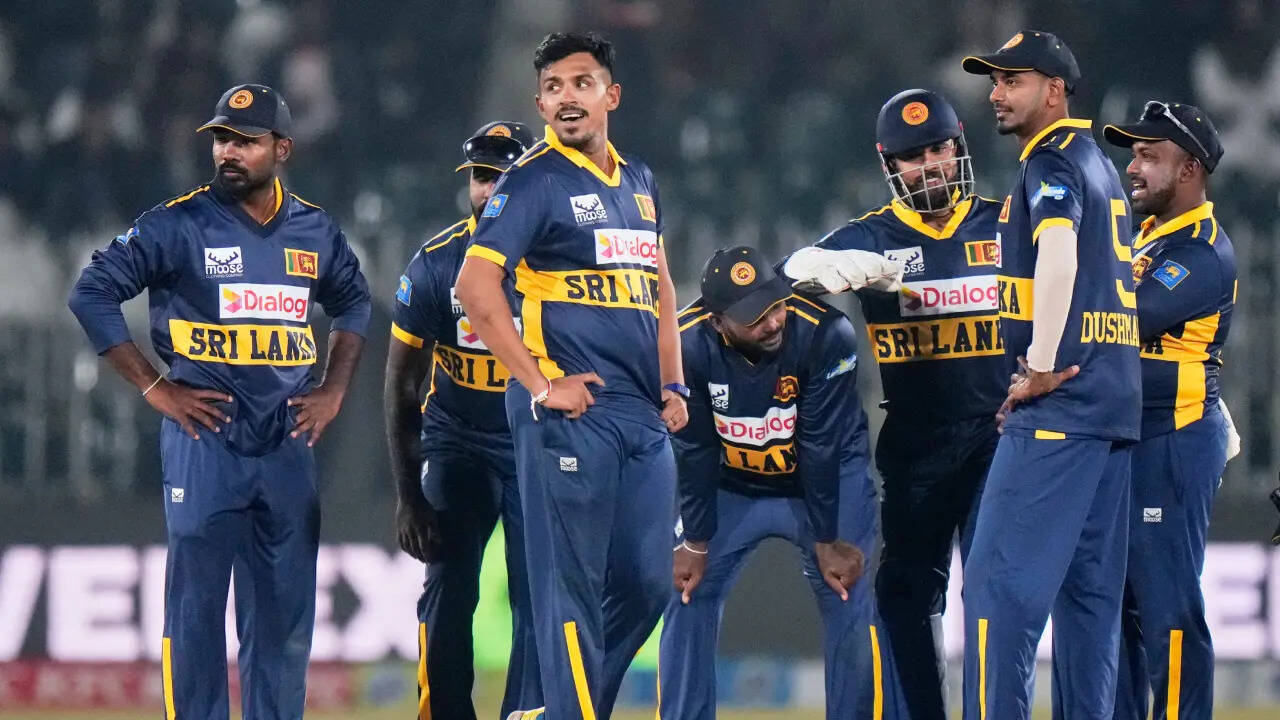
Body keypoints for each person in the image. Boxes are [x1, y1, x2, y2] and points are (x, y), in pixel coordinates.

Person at [67, 84, 371, 719]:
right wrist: (156, 387)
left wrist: (335, 389)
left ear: (282, 149)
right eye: (222, 140)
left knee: (284, 621)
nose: (228, 152)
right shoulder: (177, 224)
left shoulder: (315, 229)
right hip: (205, 442)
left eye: (246, 141)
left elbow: (354, 301)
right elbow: (91, 293)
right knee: (196, 614)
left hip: (287, 445)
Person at [453, 32, 687, 720]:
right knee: (571, 588)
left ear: (611, 95)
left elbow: (660, 288)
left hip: (641, 413)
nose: (566, 98)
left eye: (581, 83)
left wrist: (673, 384)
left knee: (649, 584)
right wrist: (539, 385)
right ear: (541, 105)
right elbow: (474, 287)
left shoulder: (640, 182)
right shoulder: (532, 182)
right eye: (553, 88)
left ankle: (556, 713)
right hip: (569, 411)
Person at [782, 88, 1006, 720]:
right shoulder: (872, 235)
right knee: (905, 599)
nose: (929, 165)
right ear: (891, 166)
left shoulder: (1008, 222)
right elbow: (787, 272)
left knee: (994, 597)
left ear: (958, 149)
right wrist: (826, 266)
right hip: (916, 444)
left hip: (1001, 438)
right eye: (913, 156)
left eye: (939, 149)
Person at [959, 31, 1140, 717]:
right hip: (1108, 408)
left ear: (1055, 90)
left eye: (1014, 81)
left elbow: (1058, 253)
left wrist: (1038, 365)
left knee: (994, 591)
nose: (996, 93)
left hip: (1061, 407)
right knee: (1089, 603)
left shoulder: (1051, 160)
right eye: (994, 81)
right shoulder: (1098, 163)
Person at [659, 246, 876, 719]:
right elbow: (695, 449)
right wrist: (695, 541)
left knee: (848, 589)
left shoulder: (827, 333)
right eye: (755, 317)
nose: (774, 322)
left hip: (826, 477)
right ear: (717, 321)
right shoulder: (684, 346)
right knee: (687, 589)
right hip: (732, 483)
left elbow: (819, 444)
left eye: (776, 305)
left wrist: (826, 539)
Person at [384, 120, 542, 720]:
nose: (489, 190)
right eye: (480, 176)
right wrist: (409, 496)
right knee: (449, 589)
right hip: (459, 444)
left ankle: (529, 714)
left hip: (538, 444)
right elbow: (401, 383)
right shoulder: (435, 265)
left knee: (540, 596)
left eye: (503, 177)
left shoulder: (560, 267)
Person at [1103, 102, 1235, 720]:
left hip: (1173, 441)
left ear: (1189, 170)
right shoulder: (1146, 238)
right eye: (1133, 155)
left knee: (1168, 610)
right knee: (1118, 609)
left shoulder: (1201, 252)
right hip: (1129, 439)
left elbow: (1124, 322)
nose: (1133, 168)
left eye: (1148, 156)